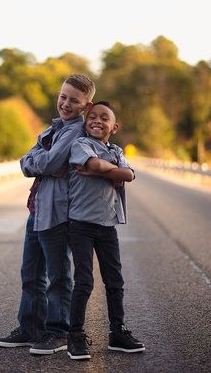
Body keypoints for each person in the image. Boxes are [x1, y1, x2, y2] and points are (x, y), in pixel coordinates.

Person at [0, 74, 95, 355]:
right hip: (38, 209)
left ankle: (58, 331)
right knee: (31, 274)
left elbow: (48, 162)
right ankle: (30, 329)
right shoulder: (54, 128)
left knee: (58, 277)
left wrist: (39, 161)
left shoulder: (75, 132)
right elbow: (26, 161)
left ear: (85, 105)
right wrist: (39, 162)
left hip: (58, 213)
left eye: (74, 100)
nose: (65, 103)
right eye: (63, 96)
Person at [67, 101, 145, 360]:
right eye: (92, 116)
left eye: (104, 118)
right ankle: (75, 335)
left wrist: (110, 171)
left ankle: (118, 333)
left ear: (114, 127)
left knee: (115, 281)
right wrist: (112, 172)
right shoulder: (81, 145)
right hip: (80, 224)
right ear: (85, 121)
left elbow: (131, 175)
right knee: (85, 281)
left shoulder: (116, 149)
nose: (97, 120)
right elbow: (97, 166)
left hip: (107, 225)